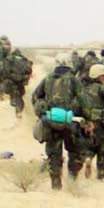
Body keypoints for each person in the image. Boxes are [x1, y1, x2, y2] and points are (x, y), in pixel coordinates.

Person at [31, 55, 88, 189]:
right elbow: (84, 101)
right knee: (75, 152)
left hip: (51, 121)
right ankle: (72, 181)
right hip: (71, 122)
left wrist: (43, 111)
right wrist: (87, 119)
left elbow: (35, 96)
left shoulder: (48, 79)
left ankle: (55, 184)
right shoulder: (74, 80)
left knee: (53, 153)